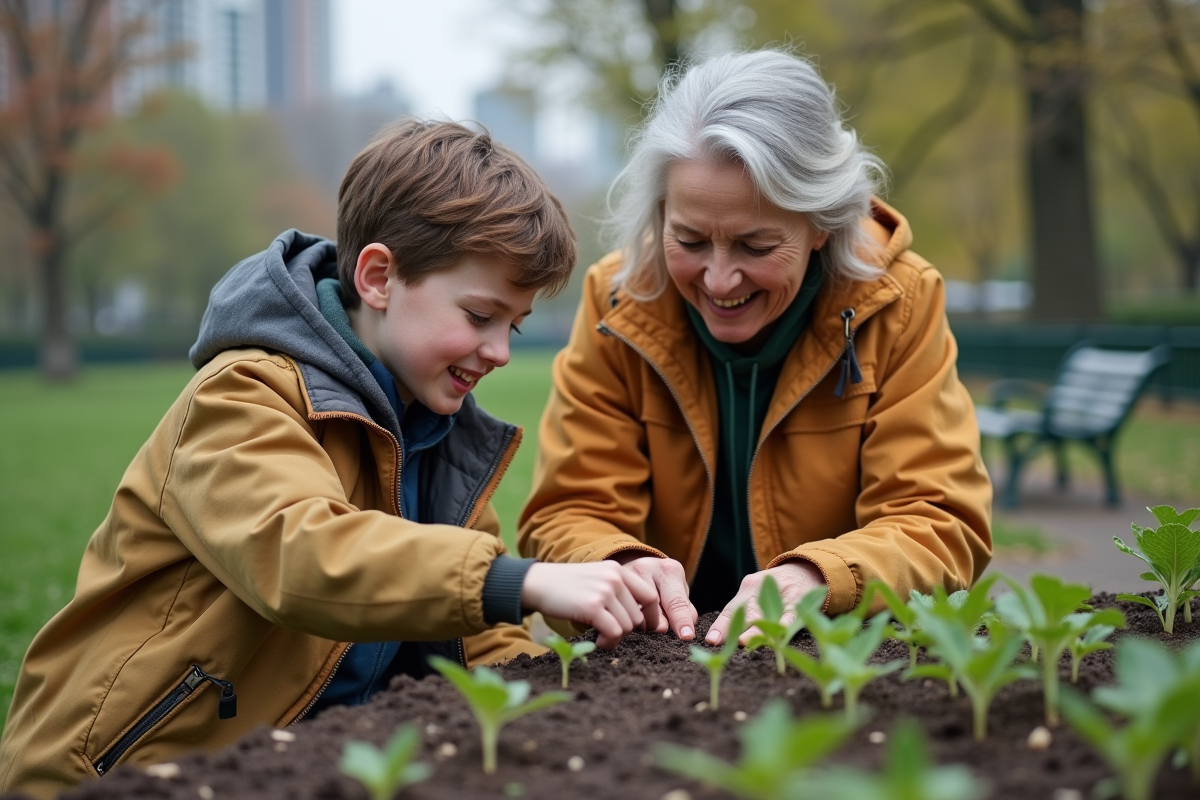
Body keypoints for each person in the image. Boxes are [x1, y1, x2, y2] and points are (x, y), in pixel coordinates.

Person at [0, 121, 659, 798]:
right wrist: (521, 582)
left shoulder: (440, 433)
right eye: (480, 315)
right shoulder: (244, 396)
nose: (498, 351)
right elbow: (300, 551)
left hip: (298, 764)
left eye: (512, 326)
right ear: (378, 277)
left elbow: (473, 641)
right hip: (121, 772)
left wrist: (580, 690)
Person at [519, 50, 993, 649]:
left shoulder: (898, 302)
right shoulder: (619, 304)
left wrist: (821, 579)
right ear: (660, 212)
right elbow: (568, 509)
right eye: (689, 239)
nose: (719, 280)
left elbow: (939, 521)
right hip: (662, 653)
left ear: (822, 222)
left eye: (756, 246)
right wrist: (613, 562)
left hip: (833, 656)